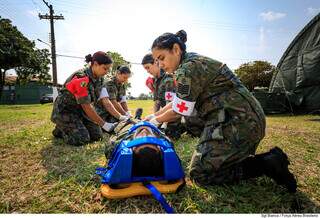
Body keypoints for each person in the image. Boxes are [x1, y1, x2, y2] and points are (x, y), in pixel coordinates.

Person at [145, 30, 297, 192]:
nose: (160, 64)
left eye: (161, 58)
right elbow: (178, 101)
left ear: (176, 49)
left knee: (200, 173)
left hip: (240, 122)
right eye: (157, 61)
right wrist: (154, 116)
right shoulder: (190, 63)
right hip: (237, 117)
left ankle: (266, 164)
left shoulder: (187, 69)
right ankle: (229, 155)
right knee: (192, 127)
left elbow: (179, 111)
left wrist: (154, 121)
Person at [51, 51, 116, 146]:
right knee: (81, 139)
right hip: (66, 111)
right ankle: (60, 129)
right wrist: (104, 124)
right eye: (105, 68)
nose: (106, 72)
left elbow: (104, 100)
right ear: (95, 64)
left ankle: (71, 126)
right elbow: (86, 105)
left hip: (80, 112)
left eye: (108, 70)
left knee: (97, 136)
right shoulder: (81, 77)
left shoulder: (100, 79)